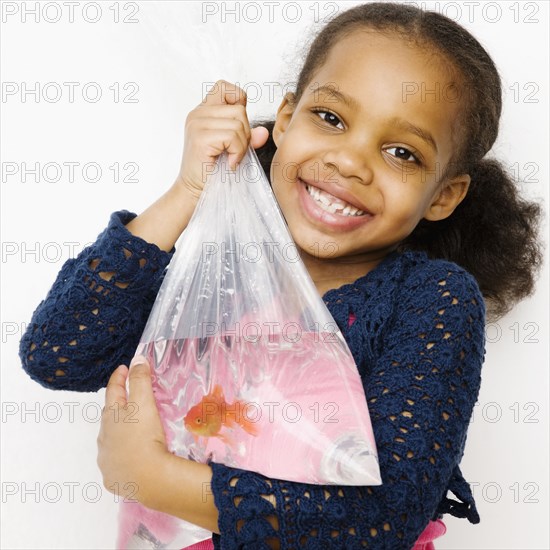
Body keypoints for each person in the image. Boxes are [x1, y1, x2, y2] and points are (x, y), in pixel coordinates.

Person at [19, 3, 543, 549]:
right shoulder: (213, 274)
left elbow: (383, 520)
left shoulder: (430, 301)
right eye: (331, 119)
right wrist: (187, 192)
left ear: (444, 195)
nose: (349, 162)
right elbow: (60, 354)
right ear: (287, 120)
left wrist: (153, 477)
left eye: (401, 152)